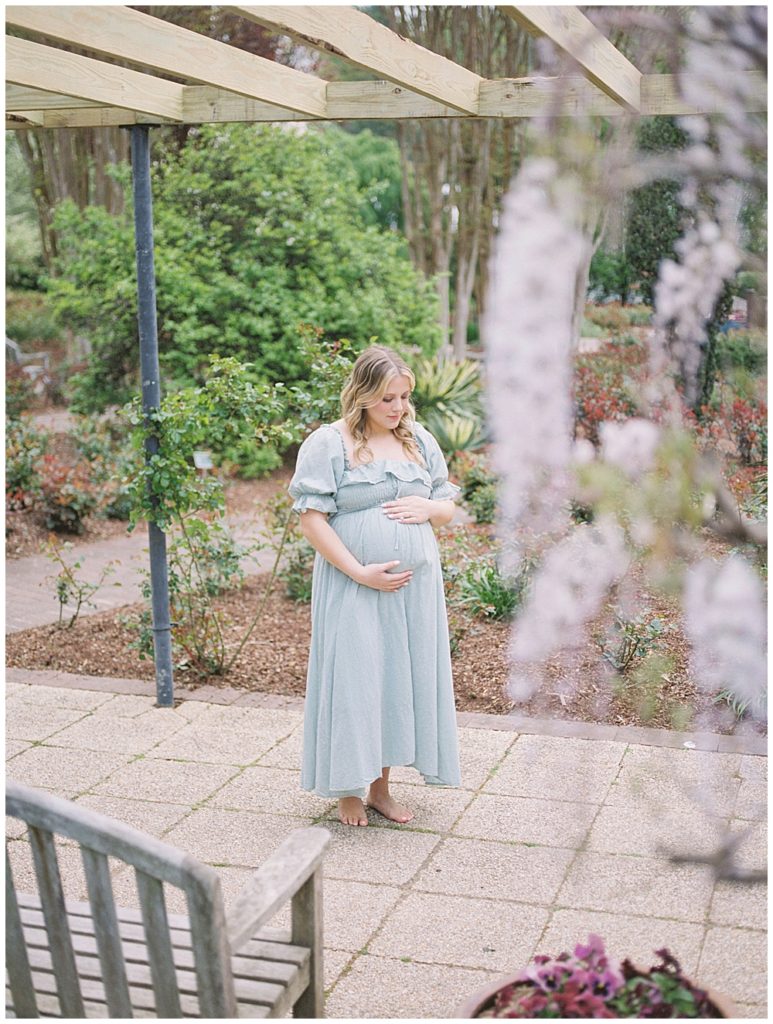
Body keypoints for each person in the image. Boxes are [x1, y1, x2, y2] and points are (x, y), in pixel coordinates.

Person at [289, 345, 462, 827]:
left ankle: (380, 789)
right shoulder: (329, 443)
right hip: (355, 584)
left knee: (392, 682)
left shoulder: (419, 441)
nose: (398, 408)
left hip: (414, 592)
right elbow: (312, 519)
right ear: (362, 394)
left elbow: (446, 505)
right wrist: (358, 571)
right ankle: (346, 789)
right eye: (388, 398)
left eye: (405, 397)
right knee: (354, 680)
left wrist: (429, 510)